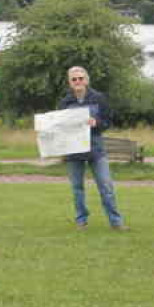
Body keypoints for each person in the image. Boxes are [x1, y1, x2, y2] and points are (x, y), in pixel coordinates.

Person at [58, 66, 127, 231]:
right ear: (70, 82)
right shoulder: (65, 102)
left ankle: (116, 222)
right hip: (73, 151)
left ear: (86, 80)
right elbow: (59, 126)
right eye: (74, 79)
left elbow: (108, 121)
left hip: (96, 149)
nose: (78, 82)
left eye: (80, 78)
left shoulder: (99, 98)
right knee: (77, 188)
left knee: (106, 186)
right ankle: (81, 221)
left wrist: (97, 123)